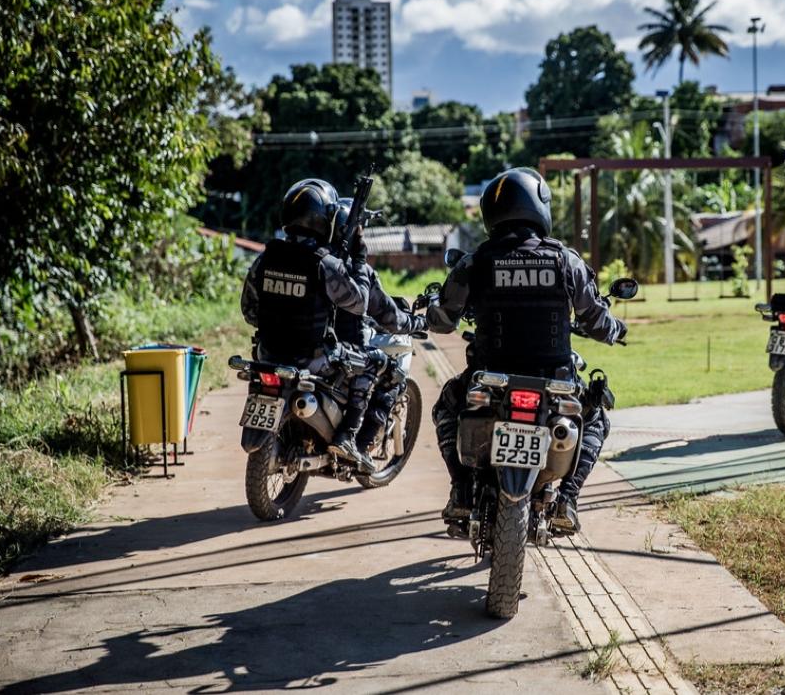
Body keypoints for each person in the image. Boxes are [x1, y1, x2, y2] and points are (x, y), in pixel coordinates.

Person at [425, 167, 627, 533]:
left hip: (491, 378)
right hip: (555, 380)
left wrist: (430, 311)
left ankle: (461, 490)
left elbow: (443, 320)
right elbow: (597, 320)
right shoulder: (566, 260)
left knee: (447, 405)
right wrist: (616, 329)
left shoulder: (476, 261)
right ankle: (567, 498)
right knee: (595, 417)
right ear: (540, 205)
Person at [240, 178, 381, 474]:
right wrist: (359, 257)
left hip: (268, 354)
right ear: (324, 220)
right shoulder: (324, 264)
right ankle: (348, 436)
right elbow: (358, 303)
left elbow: (249, 310)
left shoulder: (265, 258)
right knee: (375, 362)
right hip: (313, 361)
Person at [355, 255, 429, 458]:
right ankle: (357, 444)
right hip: (326, 354)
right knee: (388, 373)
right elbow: (391, 318)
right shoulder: (346, 269)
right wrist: (420, 323)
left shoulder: (272, 258)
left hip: (274, 351)